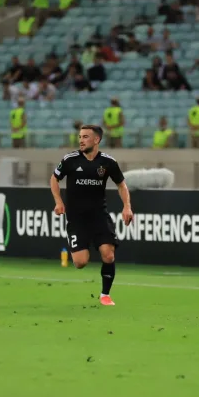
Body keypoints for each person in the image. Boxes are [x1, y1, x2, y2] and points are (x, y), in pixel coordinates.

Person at [51, 124, 134, 306]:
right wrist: (58, 201)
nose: (81, 140)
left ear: (96, 140)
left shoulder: (108, 163)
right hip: (76, 218)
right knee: (80, 262)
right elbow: (54, 178)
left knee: (108, 255)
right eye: (80, 136)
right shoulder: (70, 160)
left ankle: (105, 294)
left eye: (85, 137)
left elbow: (122, 184)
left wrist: (127, 206)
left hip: (99, 216)